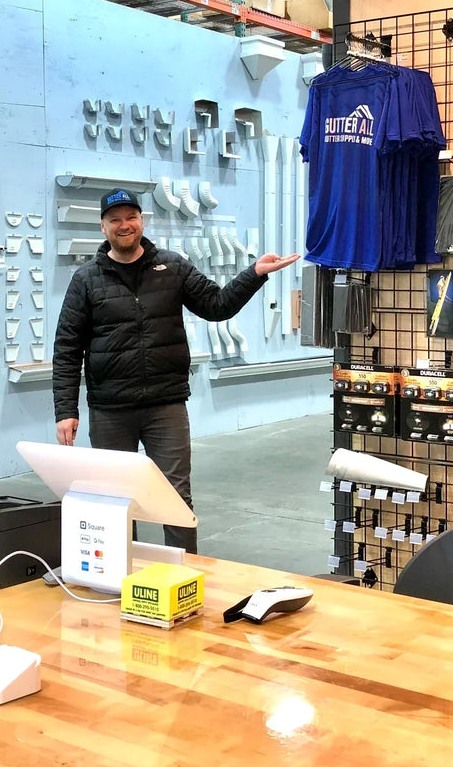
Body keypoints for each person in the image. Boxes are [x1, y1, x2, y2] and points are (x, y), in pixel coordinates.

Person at [52, 188, 298, 552]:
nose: (124, 225)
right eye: (115, 220)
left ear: (142, 221)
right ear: (103, 227)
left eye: (131, 217)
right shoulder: (86, 279)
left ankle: (186, 575)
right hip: (110, 409)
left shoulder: (172, 267)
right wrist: (66, 410)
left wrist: (255, 274)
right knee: (114, 499)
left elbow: (217, 305)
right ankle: (120, 572)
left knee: (176, 497)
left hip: (165, 406)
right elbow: (67, 348)